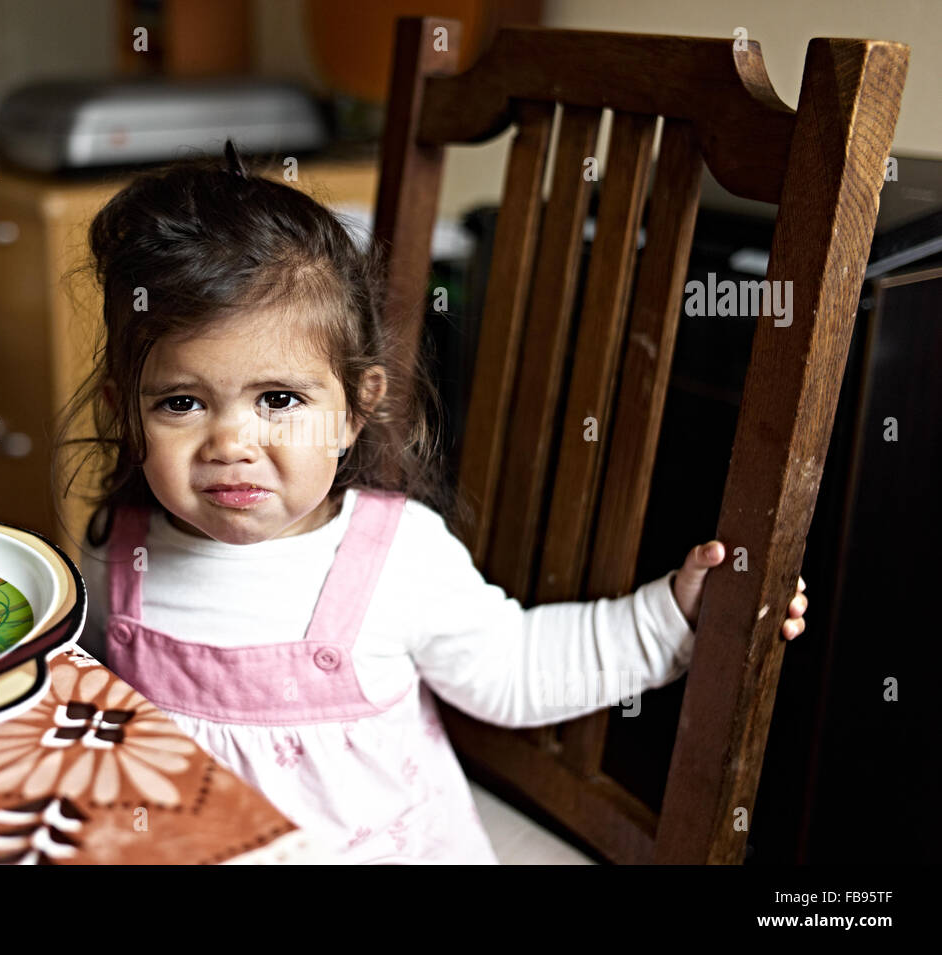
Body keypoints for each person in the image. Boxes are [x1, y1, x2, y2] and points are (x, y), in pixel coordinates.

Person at [58, 139, 808, 864]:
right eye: (182, 403)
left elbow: (517, 669)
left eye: (279, 398)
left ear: (354, 410)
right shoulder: (119, 549)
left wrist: (674, 612)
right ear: (129, 412)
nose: (230, 442)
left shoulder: (395, 558)